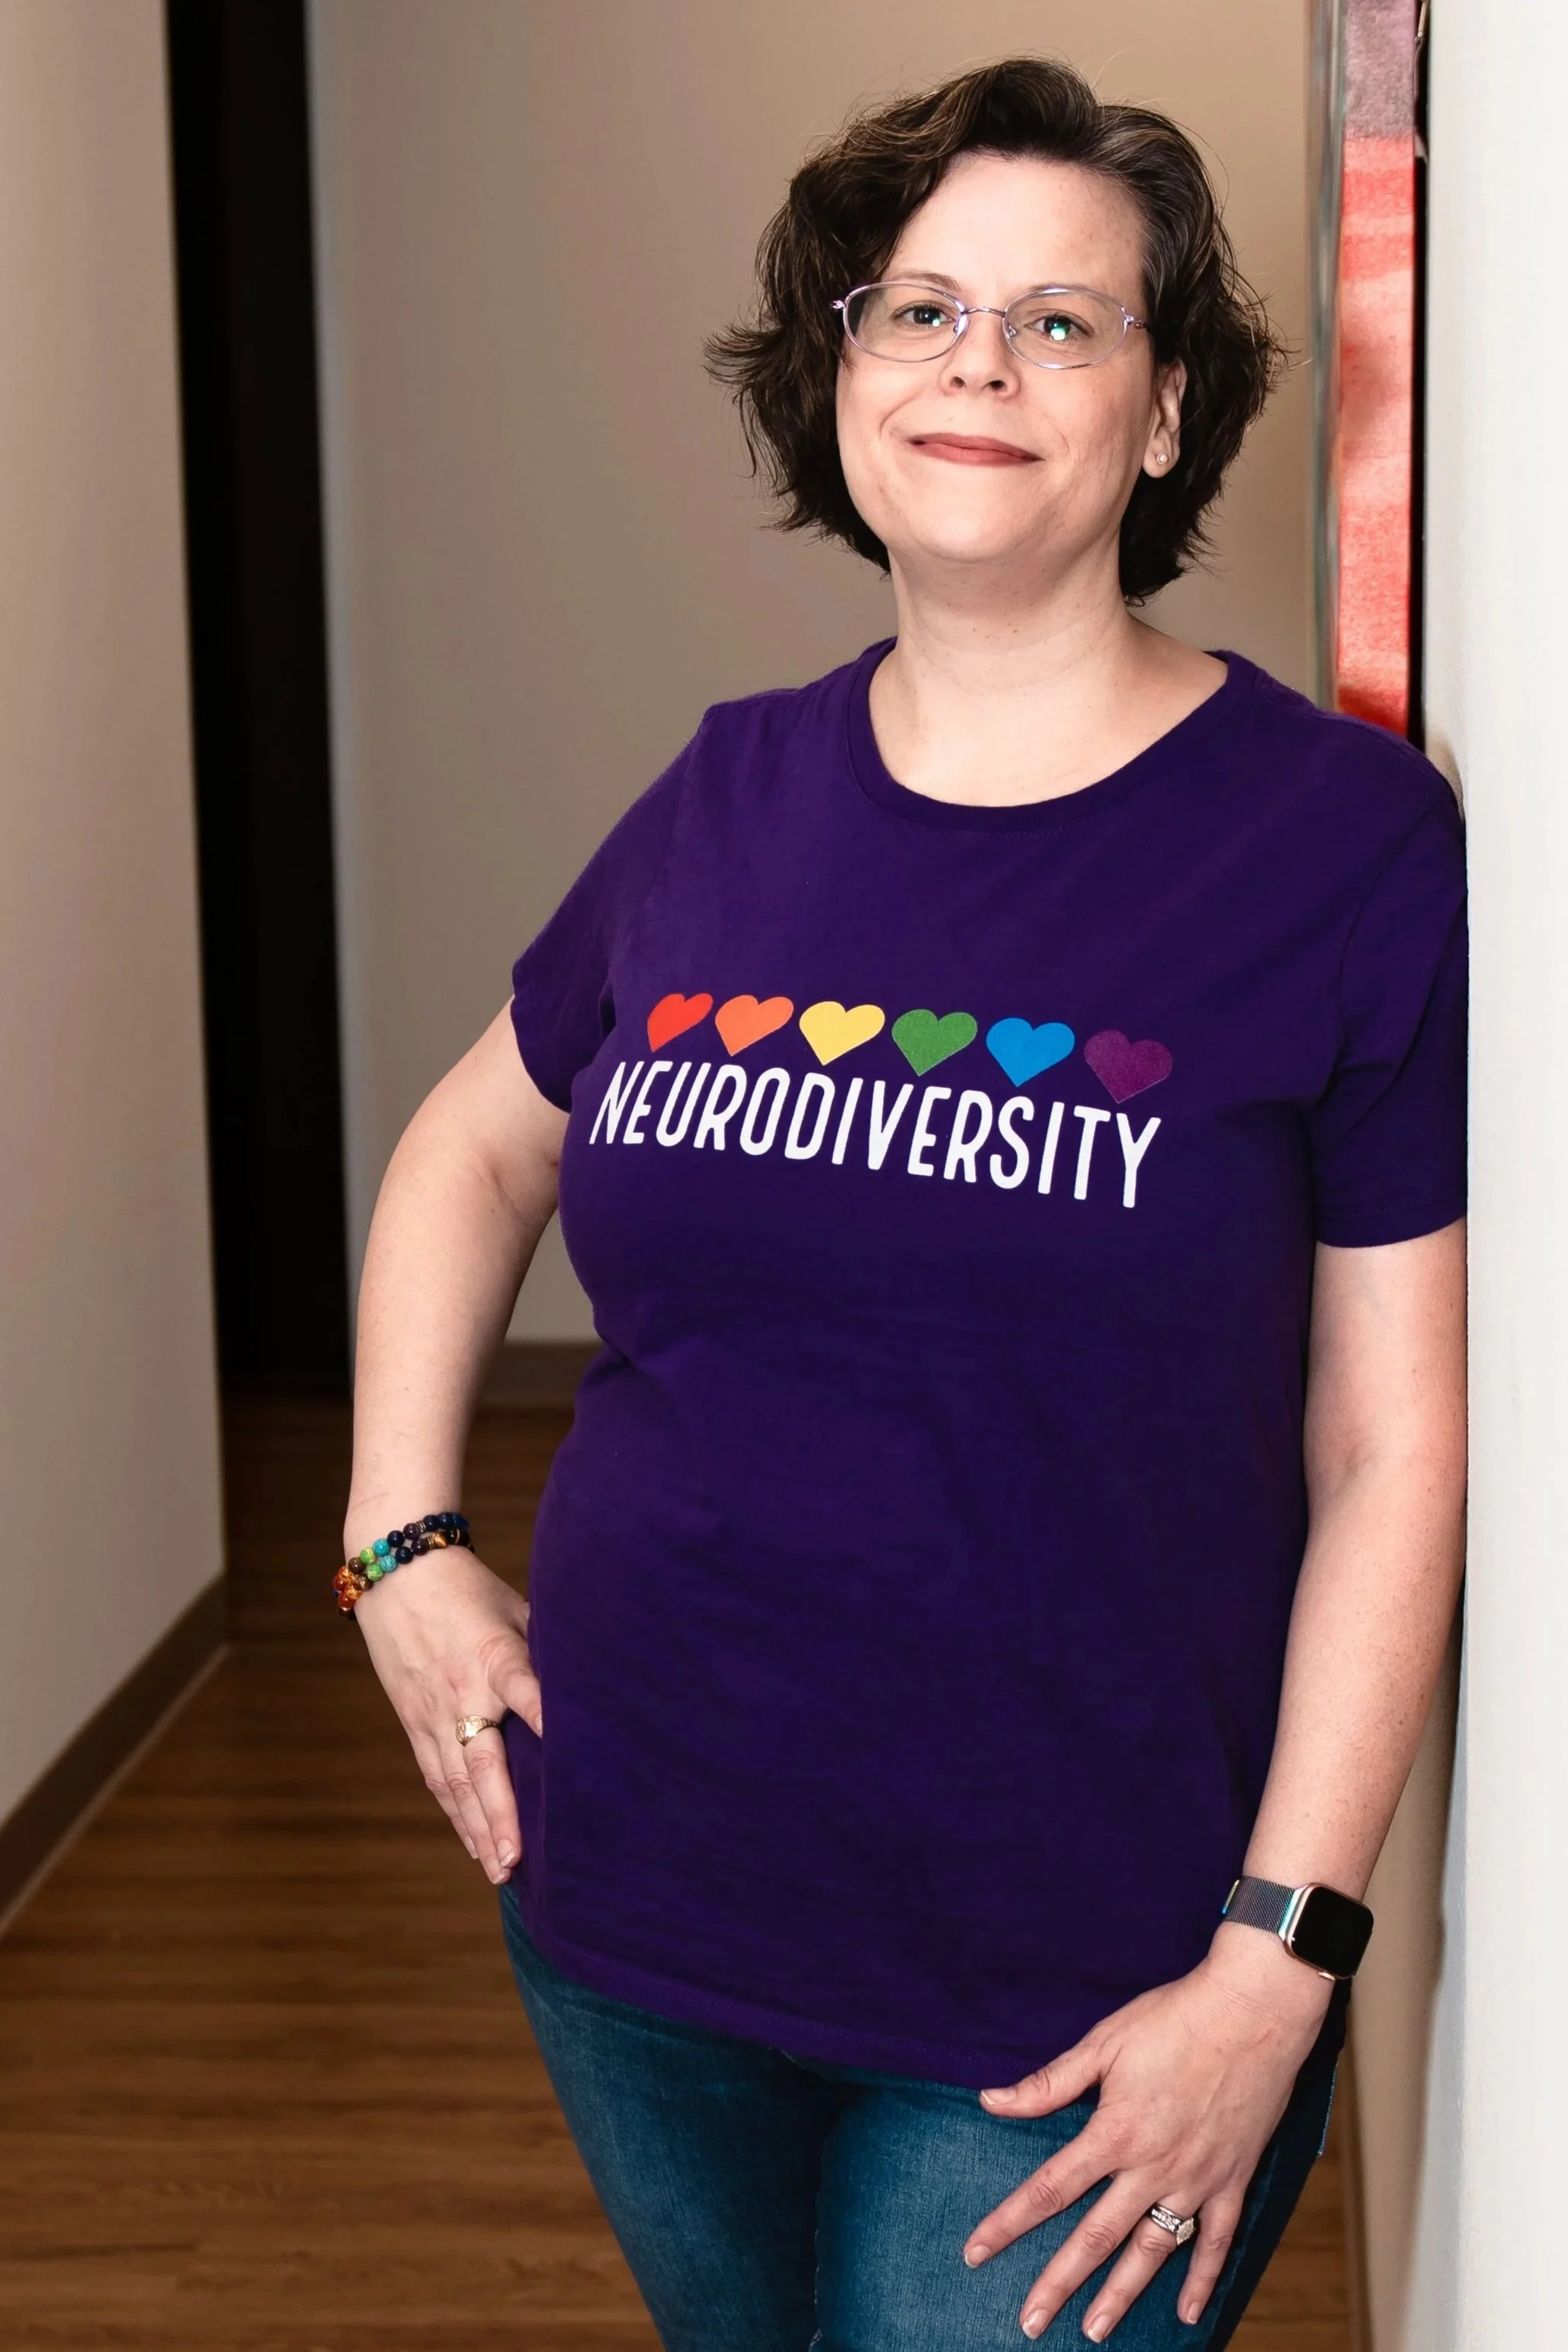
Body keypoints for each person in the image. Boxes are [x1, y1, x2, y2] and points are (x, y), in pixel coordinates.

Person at [340, 56, 1467, 2352]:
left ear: (1163, 417)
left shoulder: (1341, 842)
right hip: (636, 1902)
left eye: (1063, 321)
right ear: (834, 381)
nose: (977, 360)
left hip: (1090, 1973)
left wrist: (1284, 1959)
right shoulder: (724, 794)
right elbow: (475, 1142)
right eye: (916, 308)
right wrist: (394, 1538)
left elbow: (1395, 1447)